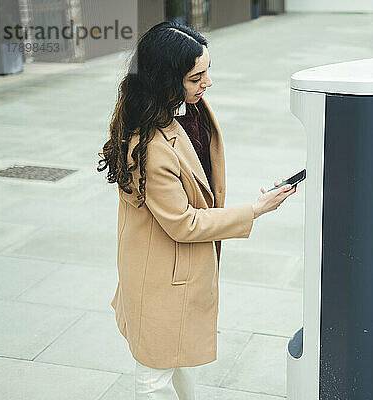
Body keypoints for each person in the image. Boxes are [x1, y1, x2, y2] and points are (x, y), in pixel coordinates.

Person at [96, 21, 297, 399]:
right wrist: (254, 210)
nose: (207, 83)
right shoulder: (152, 146)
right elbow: (184, 224)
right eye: (196, 77)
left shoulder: (184, 109)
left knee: (176, 358)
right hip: (161, 274)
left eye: (207, 71)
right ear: (167, 80)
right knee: (153, 375)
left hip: (175, 268)